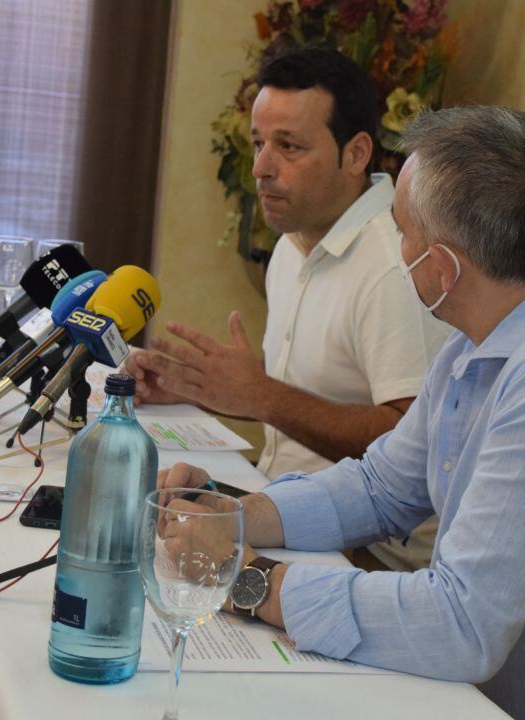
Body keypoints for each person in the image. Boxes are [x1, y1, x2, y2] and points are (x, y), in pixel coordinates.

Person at [158, 106, 525, 718]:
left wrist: (248, 581)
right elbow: (381, 487)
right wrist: (233, 517)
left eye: (400, 230)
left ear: (443, 266)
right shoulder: (483, 336)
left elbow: (460, 625)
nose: (393, 247)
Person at [125, 48, 449, 571]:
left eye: (288, 146)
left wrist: (262, 397)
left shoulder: (393, 266)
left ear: (356, 153)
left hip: (373, 557)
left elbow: (413, 444)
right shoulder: (291, 245)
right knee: (145, 513)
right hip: (284, 507)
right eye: (257, 143)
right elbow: (301, 405)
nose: (261, 168)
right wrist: (198, 389)